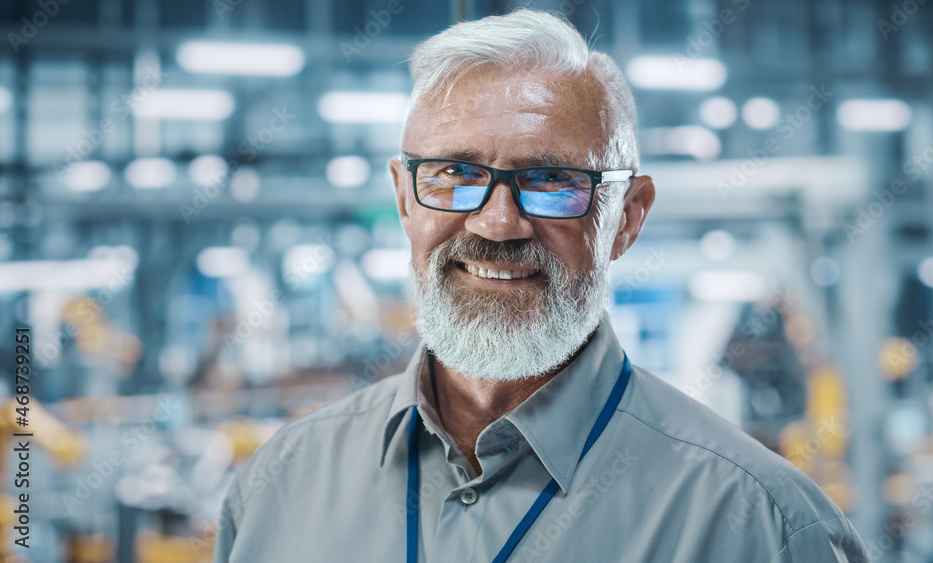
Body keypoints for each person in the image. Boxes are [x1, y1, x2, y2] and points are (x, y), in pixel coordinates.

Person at [213, 9, 870, 562]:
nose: (498, 223)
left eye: (554, 181)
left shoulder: (763, 526)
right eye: (453, 173)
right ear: (405, 199)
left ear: (628, 216)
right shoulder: (278, 487)